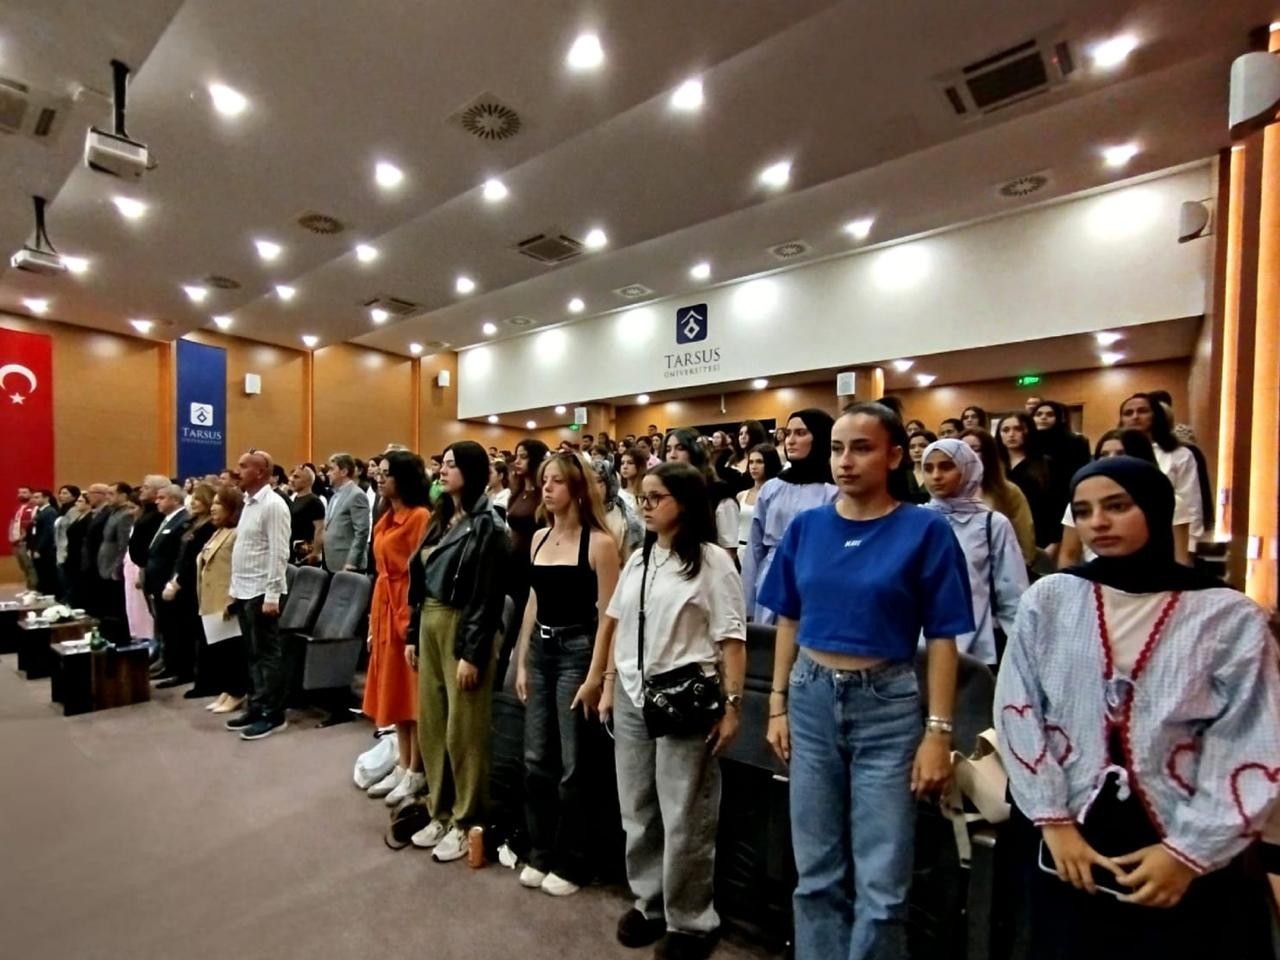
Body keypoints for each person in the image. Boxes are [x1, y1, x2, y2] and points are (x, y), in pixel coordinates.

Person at [994, 457, 1280, 959]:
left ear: (1155, 508)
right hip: (1069, 832)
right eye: (1084, 511)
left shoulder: (1226, 614)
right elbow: (1018, 707)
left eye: (1117, 506)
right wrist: (1053, 822)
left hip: (1182, 832)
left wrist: (1189, 853)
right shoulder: (1052, 599)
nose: (1098, 523)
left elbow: (1252, 737)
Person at [760, 402, 973, 959]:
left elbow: (944, 637)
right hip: (810, 697)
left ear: (894, 456)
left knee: (883, 881)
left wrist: (939, 732)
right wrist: (777, 704)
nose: (845, 461)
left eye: (861, 448)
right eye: (837, 449)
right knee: (816, 872)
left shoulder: (925, 530)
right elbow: (788, 619)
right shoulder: (808, 527)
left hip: (888, 703)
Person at [573, 462, 746, 959]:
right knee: (638, 807)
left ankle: (691, 920)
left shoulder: (712, 561)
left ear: (684, 503)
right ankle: (649, 902)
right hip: (633, 693)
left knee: (685, 813)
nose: (645, 506)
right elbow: (615, 624)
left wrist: (733, 706)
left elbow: (732, 640)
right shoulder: (639, 559)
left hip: (685, 700)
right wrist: (604, 681)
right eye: (642, 497)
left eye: (656, 497)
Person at [511, 453, 621, 896]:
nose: (547, 488)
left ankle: (573, 860)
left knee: (575, 765)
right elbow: (533, 602)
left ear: (576, 489)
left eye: (556, 481)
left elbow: (609, 617)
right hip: (542, 649)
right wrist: (522, 659)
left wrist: (598, 675)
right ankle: (540, 851)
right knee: (536, 759)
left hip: (578, 652)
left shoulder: (600, 543)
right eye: (545, 480)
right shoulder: (539, 537)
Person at [405, 441, 509, 861]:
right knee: (432, 724)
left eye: (452, 465)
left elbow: (487, 596)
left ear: (472, 470)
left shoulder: (488, 525)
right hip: (430, 620)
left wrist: (473, 652)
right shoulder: (440, 518)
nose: (443, 471)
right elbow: (419, 581)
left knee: (464, 731)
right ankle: (440, 811)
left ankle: (467, 820)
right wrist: (412, 633)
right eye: (442, 464)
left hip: (462, 625)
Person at [363, 451, 433, 807]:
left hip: (406, 607)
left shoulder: (420, 516)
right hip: (384, 605)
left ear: (403, 478)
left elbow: (423, 574)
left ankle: (416, 770)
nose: (380, 478)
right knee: (394, 691)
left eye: (387, 473)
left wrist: (412, 622)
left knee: (411, 693)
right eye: (379, 473)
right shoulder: (386, 515)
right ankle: (402, 763)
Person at [921, 438, 1028, 664]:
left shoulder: (992, 523)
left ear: (967, 468)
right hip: (919, 648)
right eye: (928, 468)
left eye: (946, 466)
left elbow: (1012, 591)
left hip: (978, 647)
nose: (936, 476)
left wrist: (1021, 650)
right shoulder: (916, 520)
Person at [742, 409, 836, 624]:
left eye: (801, 433)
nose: (790, 441)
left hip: (814, 577)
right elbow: (755, 546)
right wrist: (746, 600)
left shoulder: (832, 490)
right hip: (770, 575)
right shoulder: (772, 488)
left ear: (819, 437)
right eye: (788, 433)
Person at [224, 449, 292, 741]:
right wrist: (233, 590)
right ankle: (257, 705)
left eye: (243, 466)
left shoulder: (273, 505)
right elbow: (245, 550)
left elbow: (279, 552)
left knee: (267, 656)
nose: (236, 471)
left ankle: (273, 715)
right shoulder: (248, 503)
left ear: (261, 472)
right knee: (252, 654)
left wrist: (273, 594)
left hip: (263, 591)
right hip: (244, 589)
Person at [1118, 393, 1203, 563]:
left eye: (1142, 411)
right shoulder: (1114, 451)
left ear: (1156, 415)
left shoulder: (1179, 454)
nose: (1135, 417)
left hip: (1167, 539)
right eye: (1128, 413)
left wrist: (1189, 548)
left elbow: (1191, 503)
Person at [1056, 430, 1158, 569]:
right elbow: (1069, 554)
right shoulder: (1079, 502)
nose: (1111, 459)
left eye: (1121, 453)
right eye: (1104, 455)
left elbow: (1179, 558)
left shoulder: (1169, 503)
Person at [160, 483, 216, 696]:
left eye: (198, 499)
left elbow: (196, 559)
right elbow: (181, 556)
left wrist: (179, 581)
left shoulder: (209, 527)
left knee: (197, 633)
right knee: (182, 630)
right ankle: (183, 670)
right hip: (181, 580)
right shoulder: (191, 523)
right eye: (193, 499)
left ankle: (200, 678)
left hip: (195, 584)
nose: (193, 503)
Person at [197, 485, 246, 715]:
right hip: (210, 598)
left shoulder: (237, 533)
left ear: (231, 507)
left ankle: (237, 692)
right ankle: (227, 690)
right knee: (219, 650)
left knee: (231, 650)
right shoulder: (218, 531)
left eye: (218, 503)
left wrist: (233, 597)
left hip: (226, 599)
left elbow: (239, 567)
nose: (213, 508)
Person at [961, 429, 1037, 566]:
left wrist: (1021, 565)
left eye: (975, 449)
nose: (968, 454)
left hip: (1001, 566)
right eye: (962, 449)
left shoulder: (1008, 491)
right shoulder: (949, 491)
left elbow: (1025, 537)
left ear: (988, 454)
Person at [506, 439, 551, 665]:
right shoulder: (517, 492)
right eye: (516, 456)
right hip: (513, 563)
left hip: (533, 562)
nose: (517, 461)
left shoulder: (544, 494)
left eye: (523, 457)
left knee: (527, 615)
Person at [666, 428, 740, 561]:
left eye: (680, 448)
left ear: (695, 452)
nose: (672, 455)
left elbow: (729, 551)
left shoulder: (720, 493)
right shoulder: (666, 493)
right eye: (668, 449)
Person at [996, 412, 1063, 556]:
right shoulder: (994, 466)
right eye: (1005, 430)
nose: (1011, 434)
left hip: (1039, 537)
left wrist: (1054, 542)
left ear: (1028, 431)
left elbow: (1057, 506)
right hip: (1002, 536)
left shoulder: (1045, 464)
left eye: (1017, 429)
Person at [147, 485, 193, 688]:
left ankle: (178, 668)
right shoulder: (167, 519)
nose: (157, 501)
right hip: (157, 582)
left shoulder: (183, 521)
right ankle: (168, 663)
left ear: (175, 500)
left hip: (170, 583)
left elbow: (178, 557)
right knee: (165, 626)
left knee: (175, 628)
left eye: (162, 497)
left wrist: (173, 581)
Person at [320, 453, 371, 573]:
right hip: (331, 561)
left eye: (332, 469)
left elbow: (362, 532)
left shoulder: (356, 495)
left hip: (348, 564)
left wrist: (352, 562)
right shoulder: (334, 495)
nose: (328, 473)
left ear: (343, 472)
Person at [589, 458, 644, 565]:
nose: (593, 487)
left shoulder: (623, 516)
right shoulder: (578, 512)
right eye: (589, 482)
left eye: (599, 481)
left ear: (609, 483)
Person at [97, 482, 134, 640]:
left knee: (117, 606)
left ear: (124, 496)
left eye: (111, 494)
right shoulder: (113, 512)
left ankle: (120, 637)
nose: (107, 497)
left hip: (114, 567)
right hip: (105, 565)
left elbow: (123, 545)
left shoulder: (125, 515)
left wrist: (117, 568)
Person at [1033, 400, 1091, 497]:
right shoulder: (1028, 442)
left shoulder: (1075, 442)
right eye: (1038, 414)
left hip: (1065, 493)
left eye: (1050, 414)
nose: (1043, 417)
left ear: (1059, 418)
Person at [736, 443, 782, 553]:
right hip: (740, 549)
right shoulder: (741, 495)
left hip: (765, 551)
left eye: (759, 462)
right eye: (751, 462)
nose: (754, 466)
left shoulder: (778, 495)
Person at [287, 465, 325, 564]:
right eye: (292, 476)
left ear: (308, 481)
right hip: (293, 550)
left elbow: (320, 528)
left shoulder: (314, 501)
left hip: (305, 553)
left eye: (296, 477)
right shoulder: (296, 499)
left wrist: (316, 552)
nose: (291, 479)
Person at [60, 490, 91, 605]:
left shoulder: (89, 518)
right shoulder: (79, 517)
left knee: (78, 581)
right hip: (72, 552)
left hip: (79, 554)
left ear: (88, 503)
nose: (76, 503)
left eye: (80, 501)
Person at [26, 490, 59, 596]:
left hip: (45, 550)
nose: (34, 500)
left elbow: (48, 532)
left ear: (46, 498)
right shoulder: (39, 511)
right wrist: (30, 548)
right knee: (40, 572)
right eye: (33, 497)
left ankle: (49, 595)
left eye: (37, 497)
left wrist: (38, 549)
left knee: (47, 573)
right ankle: (44, 593)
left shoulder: (49, 512)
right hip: (36, 547)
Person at [8, 485, 38, 589]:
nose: (21, 494)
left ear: (31, 494)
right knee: (23, 566)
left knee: (30, 566)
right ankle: (28, 588)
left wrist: (21, 538)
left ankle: (34, 589)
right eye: (19, 492)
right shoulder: (18, 508)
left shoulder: (34, 508)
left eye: (24, 492)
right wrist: (11, 536)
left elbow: (31, 526)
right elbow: (13, 522)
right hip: (16, 543)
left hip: (25, 542)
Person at [906, 430, 937, 505]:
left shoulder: (938, 474)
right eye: (912, 447)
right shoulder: (902, 474)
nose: (916, 450)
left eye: (922, 446)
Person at [618, 448, 647, 513]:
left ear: (639, 466)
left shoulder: (646, 493)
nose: (625, 467)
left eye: (630, 463)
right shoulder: (619, 494)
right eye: (622, 463)